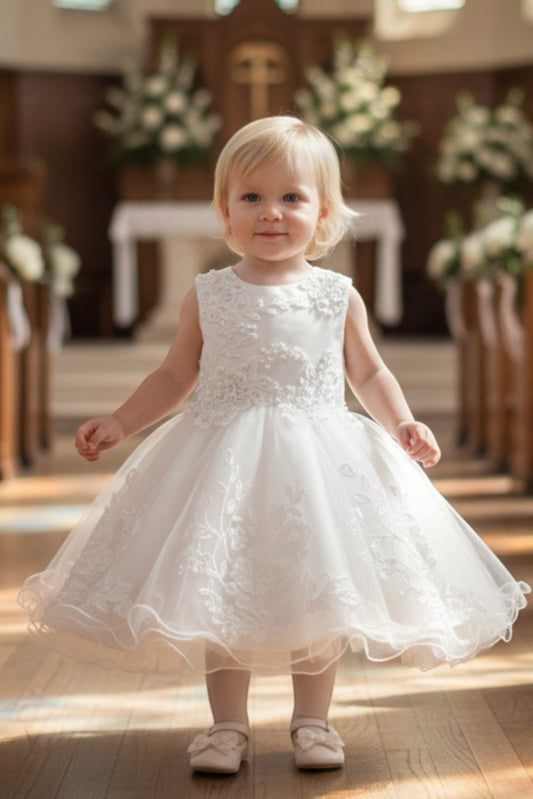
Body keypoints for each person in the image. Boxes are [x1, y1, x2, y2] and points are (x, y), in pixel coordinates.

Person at [19, 116, 529, 775]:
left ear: (322, 211)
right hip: (219, 462)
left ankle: (312, 720)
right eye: (251, 197)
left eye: (291, 197)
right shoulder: (209, 294)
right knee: (221, 590)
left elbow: (367, 371)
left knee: (317, 590)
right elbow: (177, 373)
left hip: (317, 464)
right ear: (224, 208)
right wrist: (121, 421)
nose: (270, 213)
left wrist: (402, 421)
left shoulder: (334, 294)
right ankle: (225, 725)